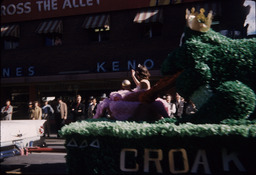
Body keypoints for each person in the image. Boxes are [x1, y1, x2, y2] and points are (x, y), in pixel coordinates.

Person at [94, 64, 170, 121]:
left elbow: (142, 92)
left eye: (137, 74)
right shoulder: (143, 82)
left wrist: (129, 95)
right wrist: (133, 77)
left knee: (114, 103)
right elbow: (139, 86)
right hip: (140, 100)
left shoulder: (144, 82)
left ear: (139, 74)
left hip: (142, 101)